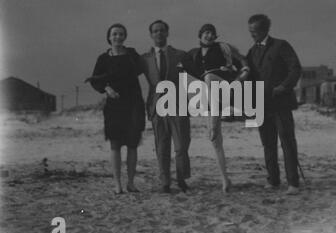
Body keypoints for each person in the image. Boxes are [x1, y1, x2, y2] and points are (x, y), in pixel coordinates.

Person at [179, 23, 250, 193]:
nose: (209, 36)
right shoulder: (194, 53)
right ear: (200, 35)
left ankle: (228, 108)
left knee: (210, 76)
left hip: (225, 84)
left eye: (212, 33)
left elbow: (242, 60)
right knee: (215, 141)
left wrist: (243, 74)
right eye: (206, 32)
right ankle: (225, 179)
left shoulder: (223, 47)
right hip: (210, 98)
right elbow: (182, 68)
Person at [246, 14, 302, 195]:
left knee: (287, 142)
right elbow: (247, 77)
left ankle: (293, 183)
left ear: (265, 29)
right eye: (250, 31)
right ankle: (273, 180)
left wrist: (284, 86)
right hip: (261, 105)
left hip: (281, 104)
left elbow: (295, 68)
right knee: (268, 144)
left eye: (255, 31)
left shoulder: (281, 45)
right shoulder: (251, 52)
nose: (252, 34)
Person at [87, 23, 146, 194]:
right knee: (115, 145)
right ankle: (117, 184)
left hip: (134, 103)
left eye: (121, 34)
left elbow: (142, 69)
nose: (118, 37)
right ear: (109, 37)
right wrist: (107, 88)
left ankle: (131, 183)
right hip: (114, 105)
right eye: (114, 34)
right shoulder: (103, 58)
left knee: (133, 145)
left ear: (125, 36)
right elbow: (95, 80)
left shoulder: (132, 55)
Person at [139, 20, 191, 194]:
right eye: (155, 31)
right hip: (156, 105)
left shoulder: (180, 55)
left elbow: (197, 71)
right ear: (151, 35)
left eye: (162, 30)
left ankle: (182, 179)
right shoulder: (144, 59)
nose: (159, 33)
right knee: (162, 146)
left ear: (167, 33)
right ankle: (165, 182)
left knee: (181, 145)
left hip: (178, 104)